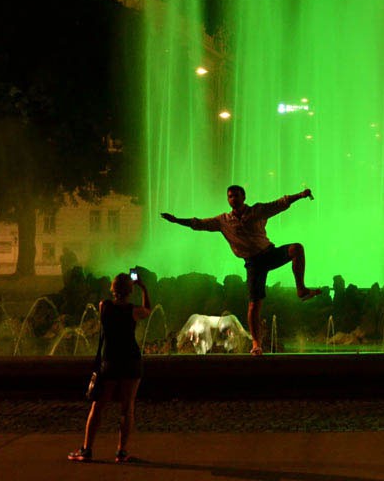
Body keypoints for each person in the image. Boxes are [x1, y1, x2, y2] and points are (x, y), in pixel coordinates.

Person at [161, 185, 322, 356]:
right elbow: (199, 223)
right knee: (254, 305)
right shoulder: (223, 221)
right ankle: (256, 344)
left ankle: (301, 289)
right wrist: (177, 220)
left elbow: (280, 203)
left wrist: (301, 195)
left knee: (297, 248)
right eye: (230, 196)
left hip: (269, 253)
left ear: (244, 197)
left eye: (236, 195)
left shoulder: (257, 210)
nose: (233, 199)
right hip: (253, 263)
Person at [68, 272, 152, 463]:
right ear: (130, 290)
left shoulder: (103, 307)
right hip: (131, 362)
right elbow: (148, 310)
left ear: (113, 289)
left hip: (110, 362)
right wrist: (143, 288)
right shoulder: (133, 311)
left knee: (98, 406)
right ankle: (121, 452)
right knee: (127, 407)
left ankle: (86, 449)